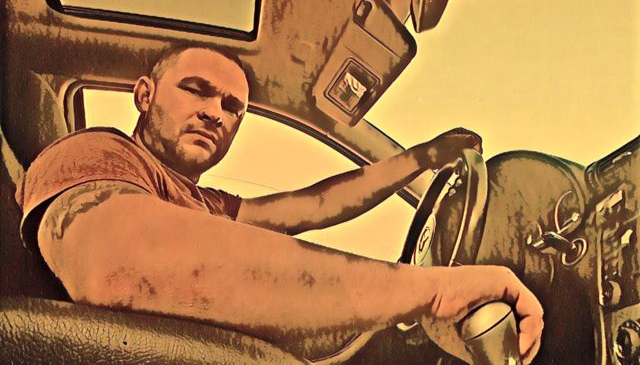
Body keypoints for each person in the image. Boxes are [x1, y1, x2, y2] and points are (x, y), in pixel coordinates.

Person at [17, 46, 543, 363]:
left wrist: (421, 158)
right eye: (196, 90)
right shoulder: (96, 153)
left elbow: (315, 205)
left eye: (231, 107)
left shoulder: (204, 204)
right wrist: (433, 291)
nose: (214, 113)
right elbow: (120, 260)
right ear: (144, 95)